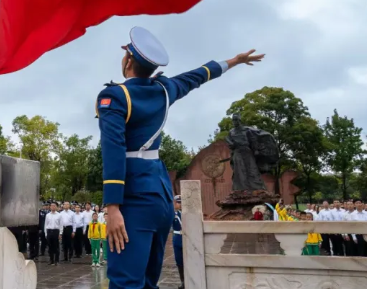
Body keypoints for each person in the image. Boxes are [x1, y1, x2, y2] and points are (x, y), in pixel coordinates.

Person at [98, 26, 264, 289]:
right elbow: (198, 75)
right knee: (148, 282)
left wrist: (113, 206)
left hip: (133, 199)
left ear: (127, 61)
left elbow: (114, 149)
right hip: (160, 196)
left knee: (125, 282)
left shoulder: (115, 96)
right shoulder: (164, 89)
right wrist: (234, 61)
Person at [172, 196, 185, 289]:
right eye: (178, 202)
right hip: (177, 238)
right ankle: (183, 281)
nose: (179, 204)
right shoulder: (173, 214)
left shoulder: (184, 214)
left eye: (180, 202)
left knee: (187, 261)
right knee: (179, 261)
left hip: (185, 238)